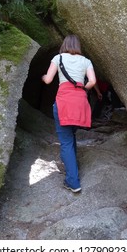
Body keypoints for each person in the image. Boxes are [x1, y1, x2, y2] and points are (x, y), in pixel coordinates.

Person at [41, 34, 96, 193]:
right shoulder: (86, 61)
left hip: (64, 102)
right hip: (80, 102)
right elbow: (92, 81)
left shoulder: (57, 58)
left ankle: (73, 181)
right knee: (70, 136)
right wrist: (82, 89)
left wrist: (43, 77)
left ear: (64, 44)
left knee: (65, 141)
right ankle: (72, 168)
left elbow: (48, 80)